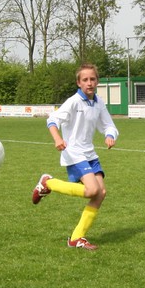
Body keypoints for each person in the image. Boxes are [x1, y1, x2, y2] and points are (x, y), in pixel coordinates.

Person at [32, 63, 119, 250]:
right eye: (85, 80)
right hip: (73, 152)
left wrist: (110, 135)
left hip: (90, 153)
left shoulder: (98, 102)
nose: (89, 83)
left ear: (97, 81)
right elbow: (52, 120)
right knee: (92, 190)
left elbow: (109, 125)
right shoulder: (73, 101)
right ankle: (48, 183)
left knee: (101, 193)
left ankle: (76, 238)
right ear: (79, 83)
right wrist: (57, 138)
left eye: (92, 79)